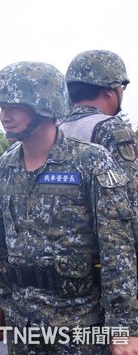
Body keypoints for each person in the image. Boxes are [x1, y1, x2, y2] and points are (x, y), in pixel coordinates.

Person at [0, 61, 138, 355]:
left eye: (14, 106)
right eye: (1, 107)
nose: (4, 116)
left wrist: (125, 329)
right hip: (22, 321)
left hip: (79, 323)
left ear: (44, 107)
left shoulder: (90, 162)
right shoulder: (4, 167)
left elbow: (117, 249)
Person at [60, 49, 138, 254]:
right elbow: (131, 199)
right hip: (109, 256)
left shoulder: (55, 131)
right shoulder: (113, 130)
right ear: (110, 90)